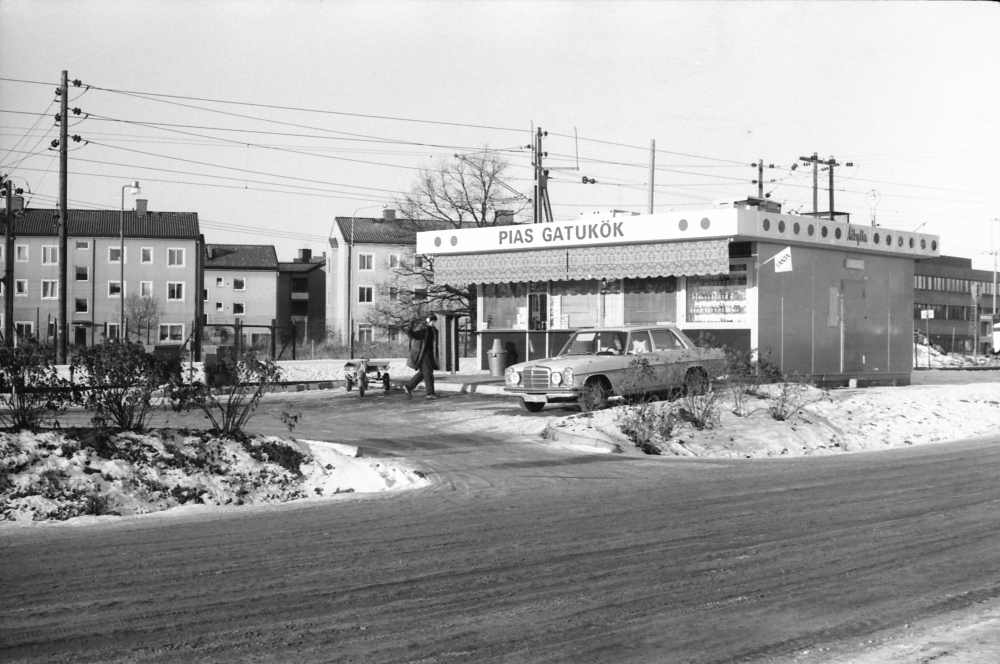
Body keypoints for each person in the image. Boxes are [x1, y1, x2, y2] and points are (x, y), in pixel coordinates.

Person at [404, 314, 439, 399]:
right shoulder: (422, 328)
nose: (434, 323)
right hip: (422, 353)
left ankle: (409, 386)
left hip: (429, 353)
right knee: (428, 372)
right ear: (428, 321)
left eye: (435, 322)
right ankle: (430, 393)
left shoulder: (433, 329)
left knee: (423, 373)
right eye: (433, 321)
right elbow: (412, 335)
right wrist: (409, 328)